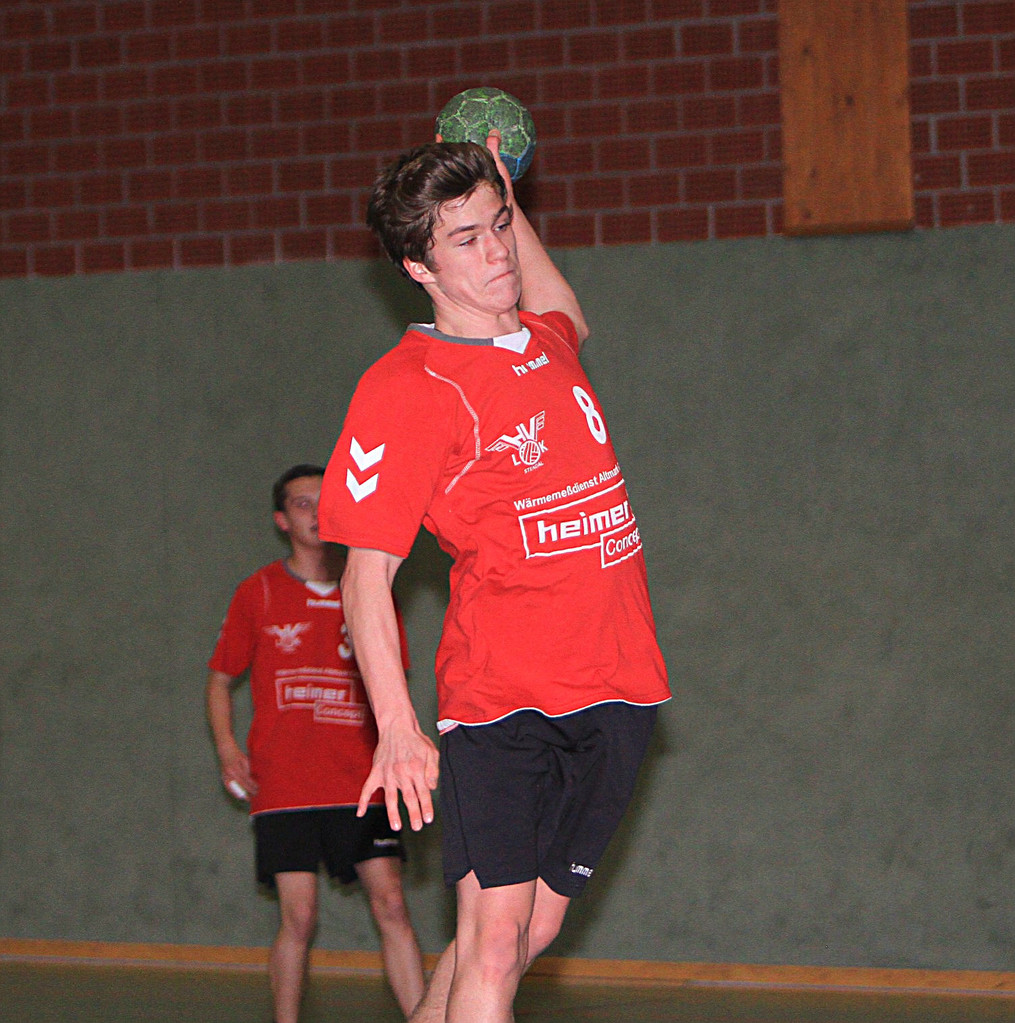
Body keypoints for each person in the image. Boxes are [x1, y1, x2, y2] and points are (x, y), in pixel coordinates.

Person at [318, 135, 671, 1023]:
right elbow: (365, 577)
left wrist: (502, 186)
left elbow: (561, 302)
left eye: (501, 226)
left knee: (516, 937)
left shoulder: (547, 341)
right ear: (417, 266)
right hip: (503, 697)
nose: (497, 251)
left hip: (620, 684)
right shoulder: (405, 387)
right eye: (466, 240)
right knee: (496, 941)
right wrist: (395, 727)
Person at [205, 464, 426, 1023]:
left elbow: (393, 683)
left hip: (362, 782)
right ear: (282, 520)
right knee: (298, 917)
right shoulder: (258, 592)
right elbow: (220, 679)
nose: (315, 513)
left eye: (323, 502)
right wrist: (228, 749)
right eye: (301, 504)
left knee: (392, 903)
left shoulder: (369, 589)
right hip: (286, 785)